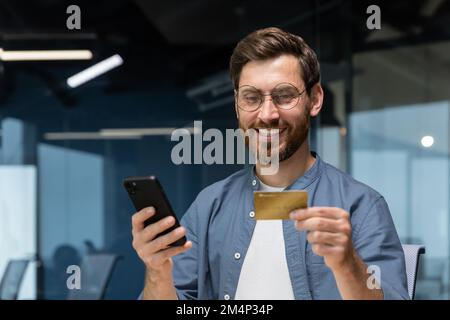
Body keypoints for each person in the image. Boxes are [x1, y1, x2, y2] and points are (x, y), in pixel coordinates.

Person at [131, 27, 409, 300]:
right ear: (237, 105)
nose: (267, 114)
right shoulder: (209, 206)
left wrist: (348, 265)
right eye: (251, 98)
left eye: (284, 95)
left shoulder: (361, 205)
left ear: (314, 100)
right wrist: (157, 271)